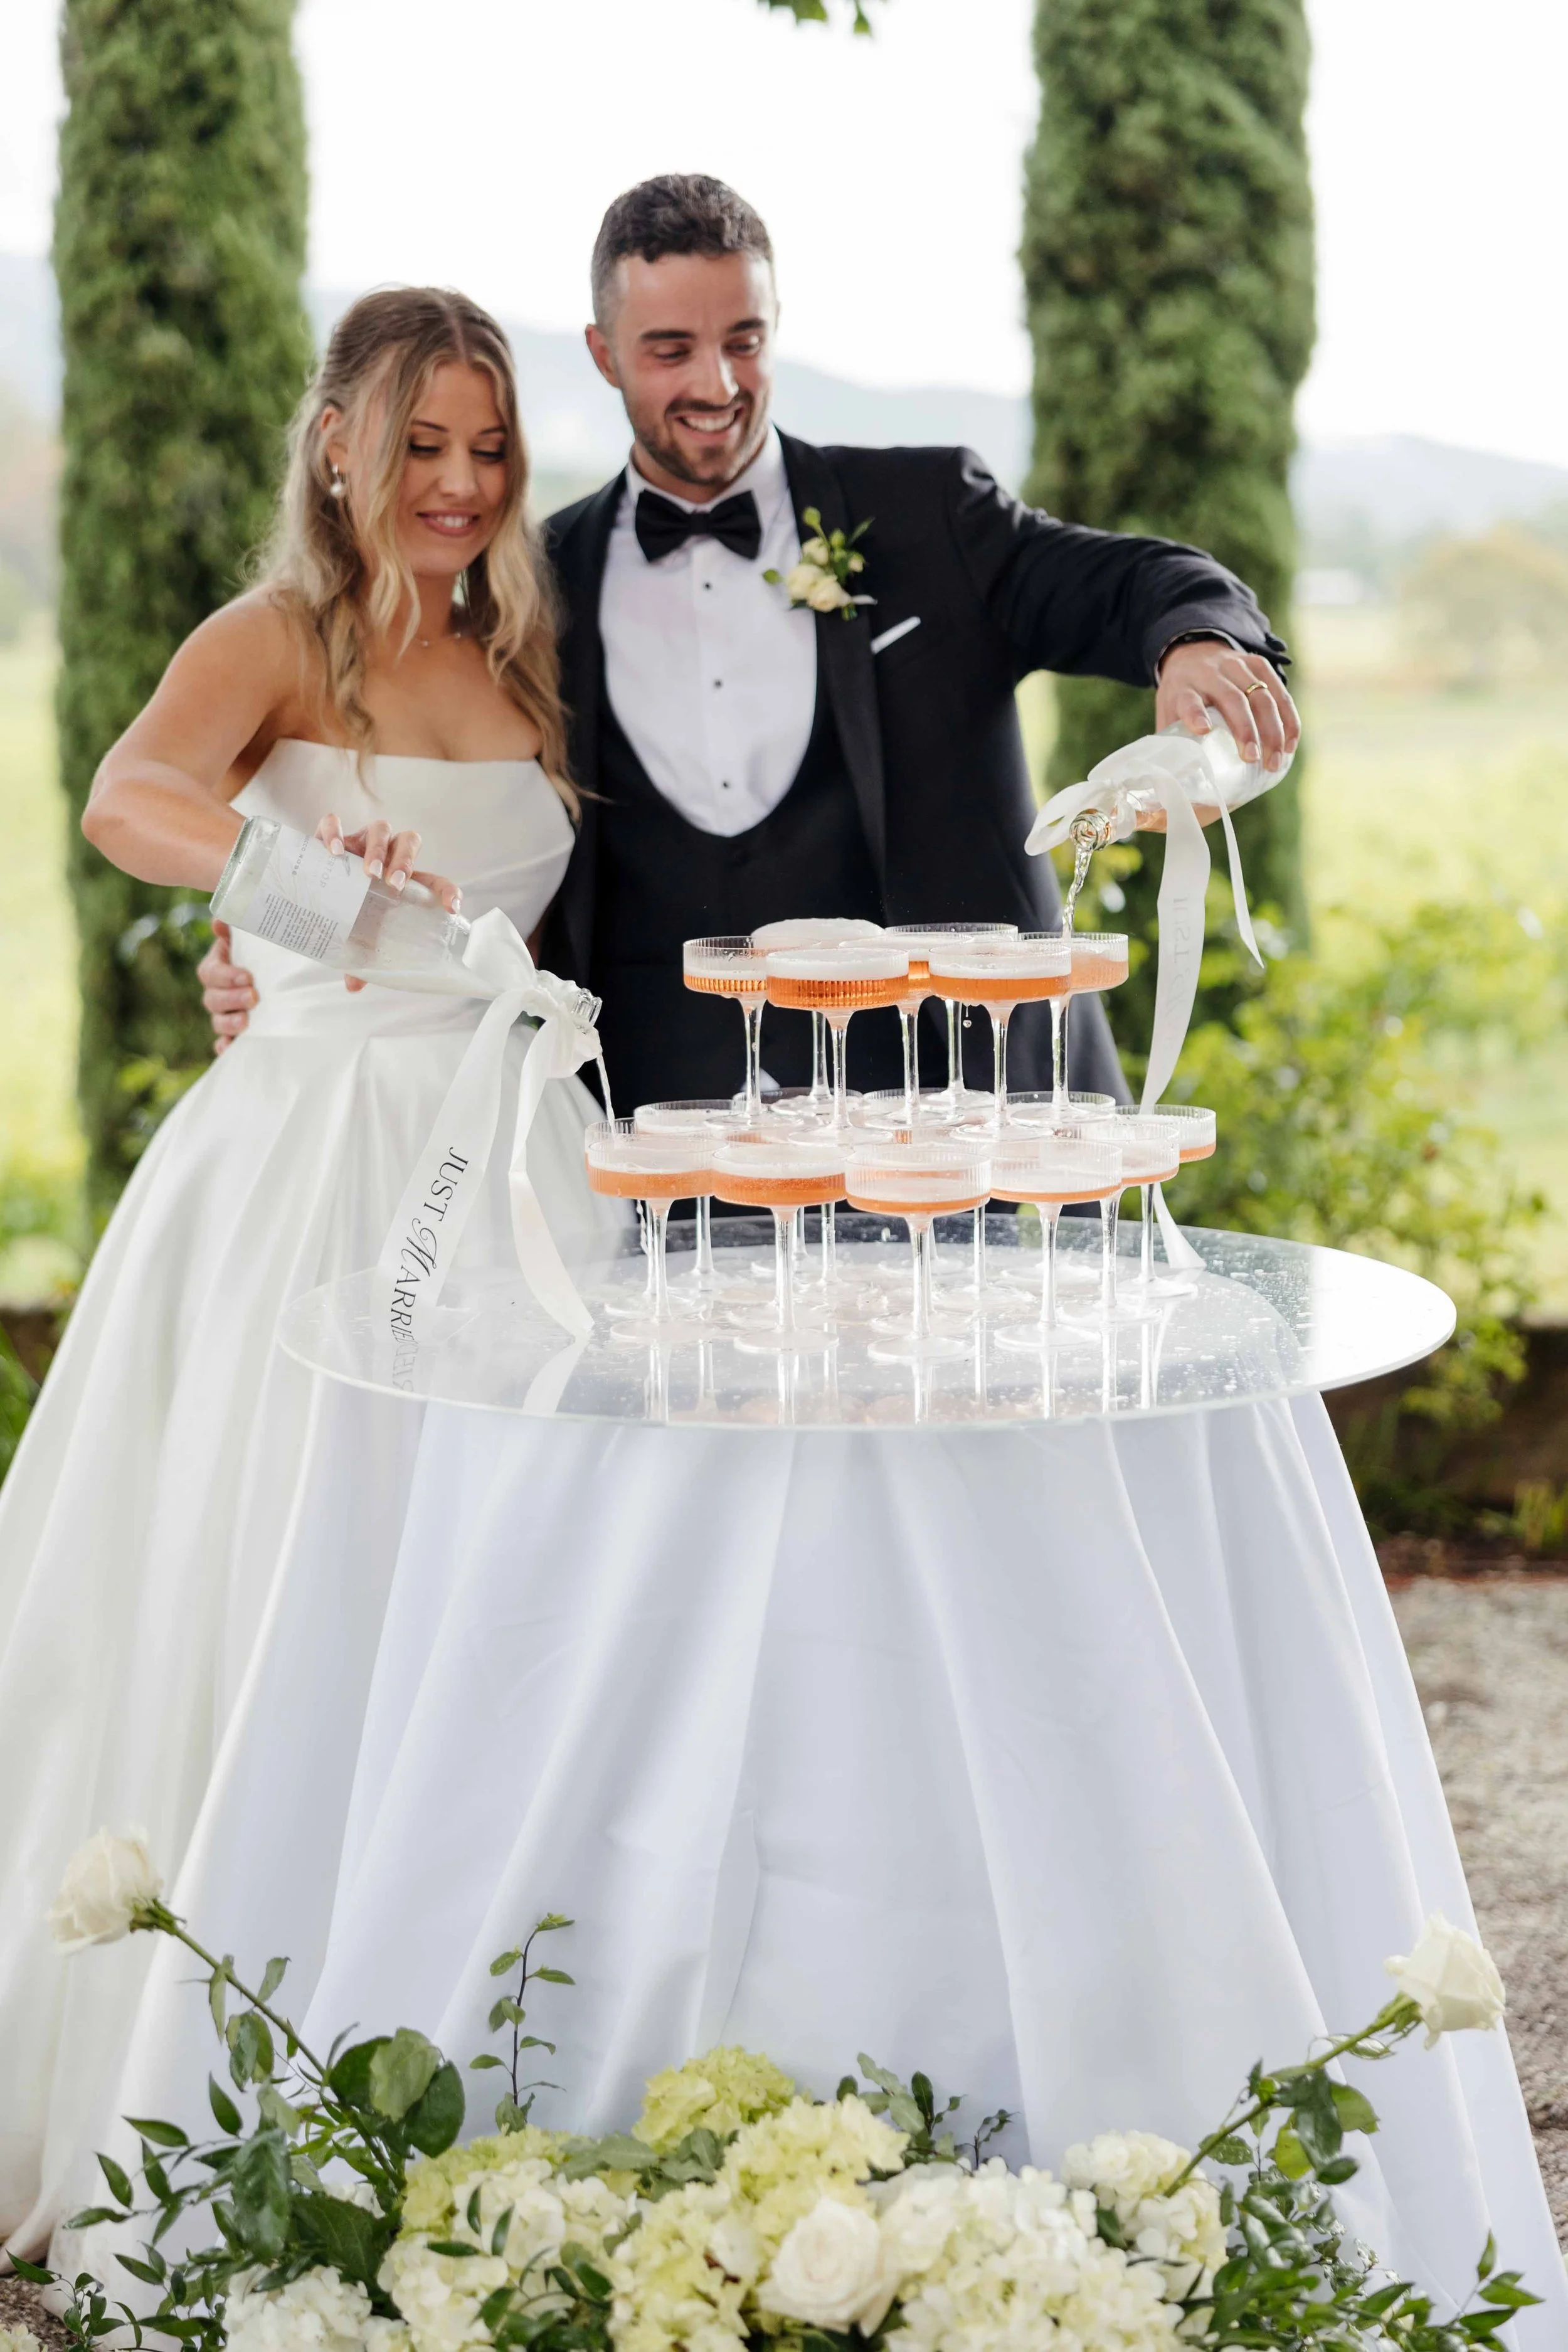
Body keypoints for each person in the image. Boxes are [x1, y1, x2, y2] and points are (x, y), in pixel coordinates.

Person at [0, 287, 623, 2254]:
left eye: (488, 448)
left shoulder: (524, 652)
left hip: (513, 1172)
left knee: (500, 1592)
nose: (454, 483)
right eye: (419, 442)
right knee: (266, 1570)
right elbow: (129, 797)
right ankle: (203, 2074)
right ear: (337, 441)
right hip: (309, 1172)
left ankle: (467, 2041)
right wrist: (299, 900)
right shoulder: (270, 636)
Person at [199, 174, 1300, 1112]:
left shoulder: (926, 516)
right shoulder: (529, 590)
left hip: (964, 1120)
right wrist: (264, 954)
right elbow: (429, 818)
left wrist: (1196, 638)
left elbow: (1123, 581)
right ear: (602, 352)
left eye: (744, 342)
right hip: (654, 1144)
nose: (715, 386)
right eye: (671, 348)